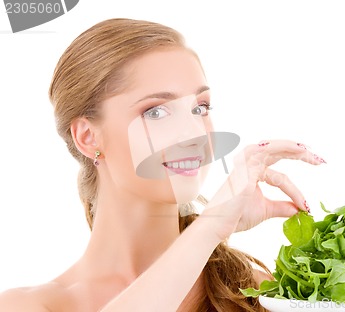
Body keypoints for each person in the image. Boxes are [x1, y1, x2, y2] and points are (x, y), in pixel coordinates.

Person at [0, 18, 326, 311]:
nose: (193, 133)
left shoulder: (251, 289)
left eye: (200, 108)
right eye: (155, 112)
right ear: (88, 136)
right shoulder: (28, 306)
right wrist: (210, 226)